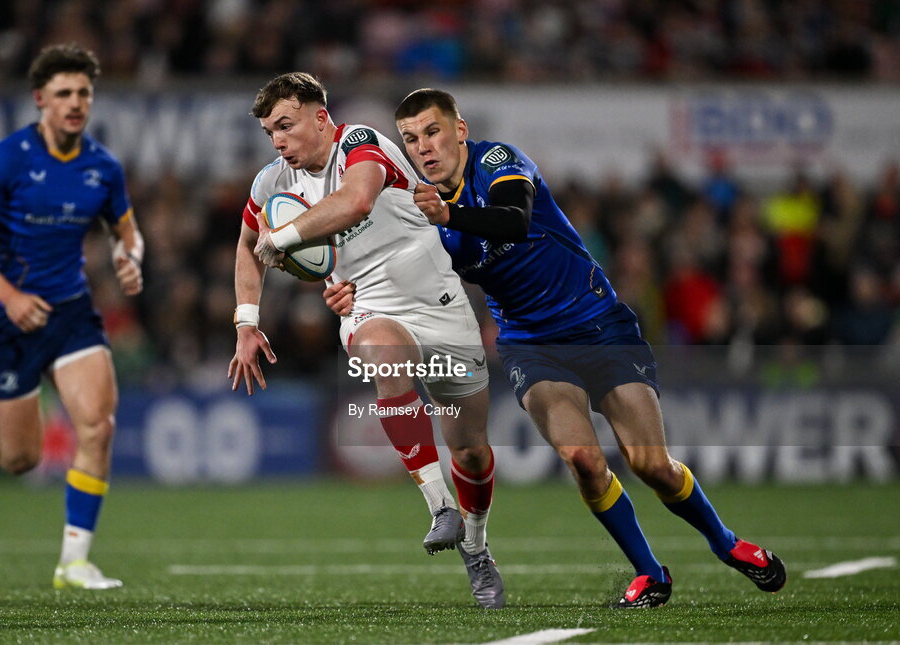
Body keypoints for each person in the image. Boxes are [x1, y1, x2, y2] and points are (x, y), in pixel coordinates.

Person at [325, 88, 787, 608]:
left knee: (651, 464)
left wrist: (451, 217)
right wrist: (355, 296)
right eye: (410, 140)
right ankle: (650, 573)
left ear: (459, 129)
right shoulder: (421, 217)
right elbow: (402, 281)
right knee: (583, 460)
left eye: (432, 131)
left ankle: (726, 544)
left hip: (599, 324)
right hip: (530, 344)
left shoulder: (497, 160)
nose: (423, 147)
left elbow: (516, 219)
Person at [228, 73, 503, 608]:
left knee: (470, 449)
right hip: (369, 306)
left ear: (320, 118)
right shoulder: (271, 183)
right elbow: (246, 244)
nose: (278, 140)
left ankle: (478, 548)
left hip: (440, 304)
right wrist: (246, 322)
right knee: (383, 355)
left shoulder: (361, 143)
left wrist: (281, 239)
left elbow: (354, 203)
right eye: (269, 132)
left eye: (285, 125)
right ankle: (438, 504)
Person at [0, 43, 143, 590]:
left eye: (83, 92)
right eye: (63, 93)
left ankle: (74, 562)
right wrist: (9, 296)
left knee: (98, 424)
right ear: (40, 99)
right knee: (18, 459)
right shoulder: (4, 160)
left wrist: (129, 258)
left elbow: (127, 231)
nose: (75, 103)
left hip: (71, 312)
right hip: (10, 319)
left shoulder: (102, 168)